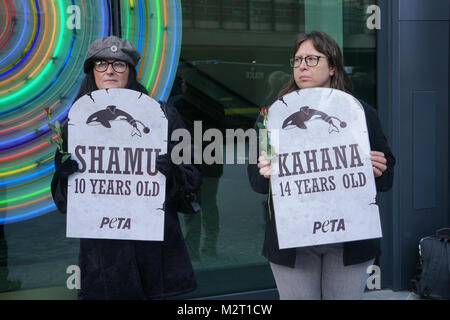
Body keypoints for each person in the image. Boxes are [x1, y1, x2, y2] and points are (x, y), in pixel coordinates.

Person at [247, 30, 395, 300]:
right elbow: (256, 183)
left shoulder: (360, 113)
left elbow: (387, 179)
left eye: (312, 59)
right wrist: (264, 170)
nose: (302, 65)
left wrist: (379, 167)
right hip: (292, 243)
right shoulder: (272, 116)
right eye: (297, 60)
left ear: (332, 67)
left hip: (349, 241)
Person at [51, 36, 201, 300]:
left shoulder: (164, 116)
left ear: (130, 72)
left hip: (156, 254)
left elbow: (192, 181)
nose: (109, 70)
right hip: (103, 260)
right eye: (101, 64)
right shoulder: (76, 123)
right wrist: (64, 177)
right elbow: (64, 203)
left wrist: (172, 174)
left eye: (119, 64)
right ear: (91, 72)